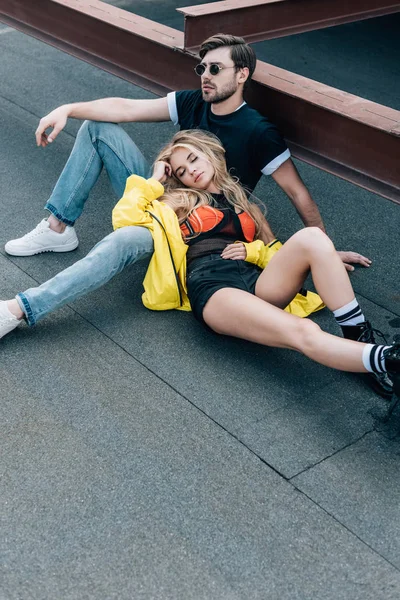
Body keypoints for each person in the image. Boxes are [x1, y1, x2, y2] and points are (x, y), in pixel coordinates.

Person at [1, 130, 396, 404]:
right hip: (215, 288)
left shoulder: (247, 206)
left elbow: (274, 251)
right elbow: (125, 218)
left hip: (258, 282)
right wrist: (157, 180)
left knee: (312, 239)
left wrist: (265, 253)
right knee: (301, 331)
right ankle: (381, 359)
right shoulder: (178, 202)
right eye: (183, 169)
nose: (192, 170)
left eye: (194, 158)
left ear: (209, 154)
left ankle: (359, 336)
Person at [4, 33, 369, 273]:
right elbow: (127, 108)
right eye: (201, 67)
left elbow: (298, 193)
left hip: (198, 224)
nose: (205, 75)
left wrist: (324, 250)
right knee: (96, 126)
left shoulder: (259, 131)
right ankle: (58, 228)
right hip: (165, 193)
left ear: (242, 75)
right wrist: (68, 108)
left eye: (215, 68)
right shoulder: (194, 102)